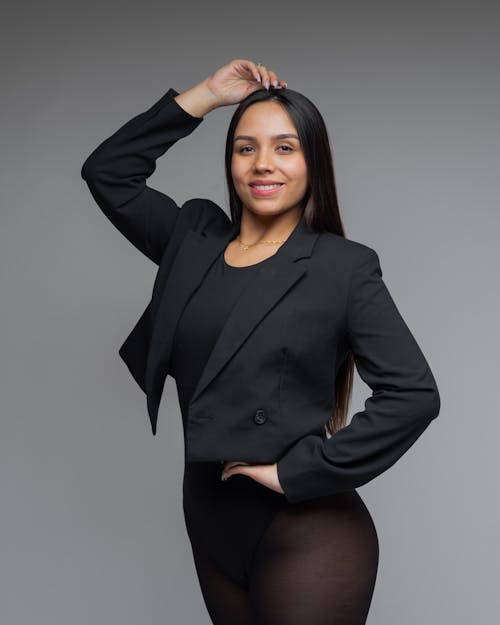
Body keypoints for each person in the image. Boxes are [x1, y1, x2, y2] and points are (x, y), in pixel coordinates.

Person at [81, 58, 440, 625]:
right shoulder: (192, 240)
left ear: (312, 163)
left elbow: (414, 395)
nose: (262, 164)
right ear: (229, 162)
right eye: (246, 148)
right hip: (207, 516)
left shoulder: (341, 268)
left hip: (306, 530)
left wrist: (297, 473)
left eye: (284, 148)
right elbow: (108, 171)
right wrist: (206, 95)